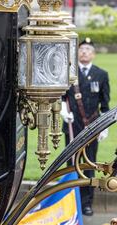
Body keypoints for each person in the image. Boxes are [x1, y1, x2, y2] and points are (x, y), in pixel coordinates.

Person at [60, 37, 110, 216]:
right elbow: (61, 98)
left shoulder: (101, 74)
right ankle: (71, 201)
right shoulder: (69, 74)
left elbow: (105, 105)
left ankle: (87, 203)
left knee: (89, 165)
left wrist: (105, 127)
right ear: (77, 53)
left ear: (94, 54)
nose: (84, 52)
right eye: (82, 49)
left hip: (92, 128)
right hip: (73, 126)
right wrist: (63, 112)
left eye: (88, 49)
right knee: (72, 165)